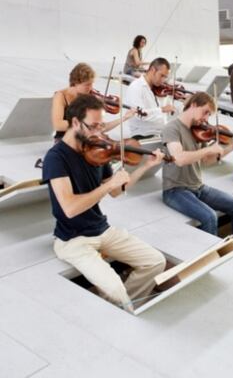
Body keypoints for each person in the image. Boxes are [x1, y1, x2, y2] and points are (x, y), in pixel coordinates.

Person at [43, 94, 166, 313]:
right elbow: (69, 208)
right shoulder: (56, 157)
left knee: (155, 261)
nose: (99, 133)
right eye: (93, 126)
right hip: (73, 240)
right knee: (116, 289)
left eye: (101, 126)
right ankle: (121, 308)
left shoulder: (98, 151)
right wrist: (107, 187)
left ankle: (120, 309)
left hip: (102, 229)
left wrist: (144, 166)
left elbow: (117, 191)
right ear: (74, 123)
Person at [162, 92, 233, 236]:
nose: (206, 118)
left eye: (209, 115)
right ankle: (210, 257)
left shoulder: (198, 131)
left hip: (198, 187)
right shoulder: (172, 128)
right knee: (209, 217)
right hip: (175, 190)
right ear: (194, 105)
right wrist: (208, 149)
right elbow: (179, 159)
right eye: (205, 112)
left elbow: (207, 161)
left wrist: (231, 147)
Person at [51, 63, 134, 140]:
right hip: (65, 140)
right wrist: (86, 125)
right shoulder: (60, 96)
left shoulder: (87, 98)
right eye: (87, 84)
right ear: (75, 82)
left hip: (85, 139)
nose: (90, 88)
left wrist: (124, 118)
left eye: (91, 84)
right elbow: (58, 125)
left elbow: (102, 128)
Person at [125, 57, 176, 139]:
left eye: (165, 77)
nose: (163, 80)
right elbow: (139, 114)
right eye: (161, 75)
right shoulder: (136, 87)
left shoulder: (160, 89)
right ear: (152, 70)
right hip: (143, 133)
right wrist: (162, 109)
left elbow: (170, 110)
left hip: (161, 132)